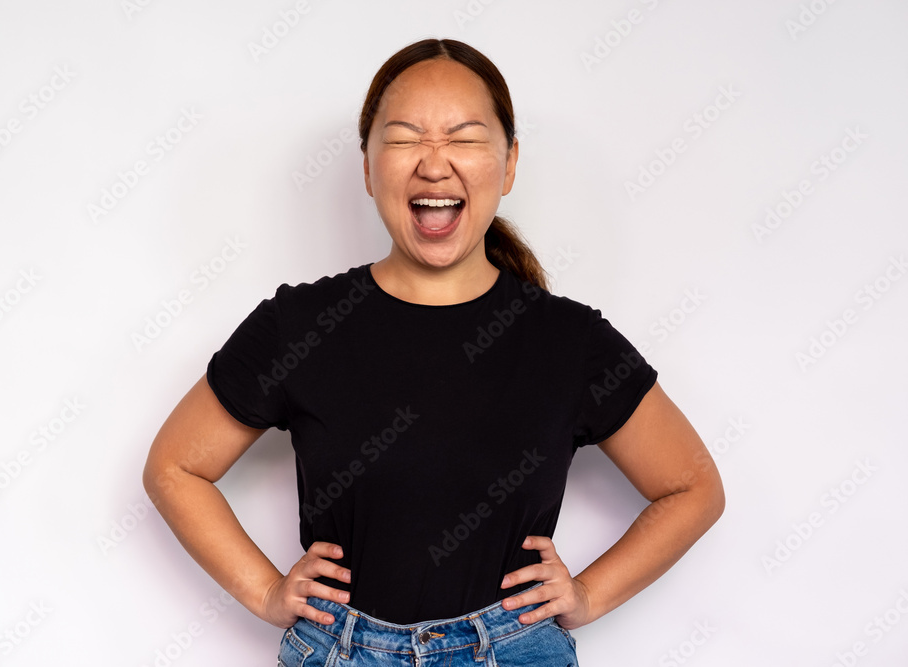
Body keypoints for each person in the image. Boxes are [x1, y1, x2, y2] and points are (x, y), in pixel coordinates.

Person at [143, 38, 725, 666]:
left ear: (508, 164)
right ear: (367, 167)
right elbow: (175, 467)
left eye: (465, 137)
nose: (434, 163)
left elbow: (692, 487)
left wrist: (586, 594)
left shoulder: (569, 341)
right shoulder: (298, 326)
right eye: (404, 137)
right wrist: (263, 592)